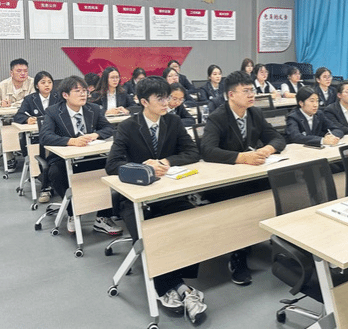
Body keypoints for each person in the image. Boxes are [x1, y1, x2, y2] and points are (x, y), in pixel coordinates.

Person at [105, 77, 206, 323]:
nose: (166, 103)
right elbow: (112, 165)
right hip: (136, 199)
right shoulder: (128, 126)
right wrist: (145, 168)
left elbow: (192, 152)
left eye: (167, 97)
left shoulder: (172, 121)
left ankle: (176, 285)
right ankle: (176, 288)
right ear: (143, 102)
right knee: (153, 236)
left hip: (169, 192)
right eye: (159, 99)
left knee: (189, 223)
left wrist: (166, 162)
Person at [201, 70, 286, 285]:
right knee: (241, 203)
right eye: (246, 91)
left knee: (279, 188)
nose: (251, 95)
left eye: (252, 90)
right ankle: (238, 253)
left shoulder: (254, 113)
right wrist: (242, 157)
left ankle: (276, 238)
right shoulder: (218, 117)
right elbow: (208, 150)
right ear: (231, 94)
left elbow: (277, 138)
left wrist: (267, 149)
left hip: (252, 175)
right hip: (226, 182)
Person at [39, 76, 121, 235]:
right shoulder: (53, 112)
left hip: (90, 156)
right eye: (77, 91)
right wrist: (72, 141)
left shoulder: (94, 109)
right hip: (64, 159)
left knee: (110, 167)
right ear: (65, 95)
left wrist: (95, 135)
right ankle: (72, 212)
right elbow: (45, 136)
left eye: (84, 90)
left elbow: (108, 129)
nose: (83, 94)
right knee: (55, 172)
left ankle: (103, 217)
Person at [13, 71, 61, 203]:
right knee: (44, 155)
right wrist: (27, 119)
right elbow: (18, 115)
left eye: (50, 82)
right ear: (36, 85)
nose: (47, 85)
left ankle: (55, 182)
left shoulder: (58, 97)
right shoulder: (30, 99)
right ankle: (46, 187)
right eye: (43, 82)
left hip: (56, 135)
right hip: (36, 137)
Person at [0, 58, 35, 170]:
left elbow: (36, 100)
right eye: (19, 71)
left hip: (26, 118)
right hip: (5, 119)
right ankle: (9, 157)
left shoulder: (33, 83)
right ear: (11, 73)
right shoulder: (2, 86)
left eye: (25, 71)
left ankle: (32, 158)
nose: (23, 74)